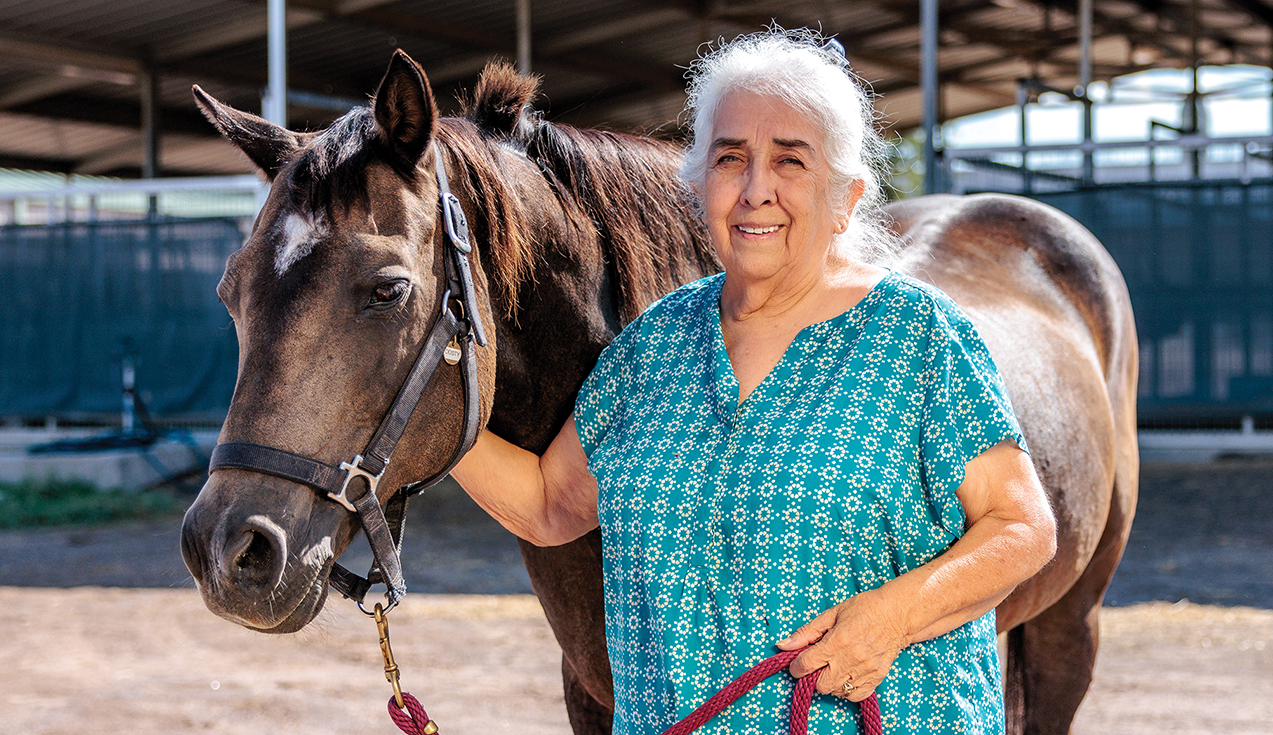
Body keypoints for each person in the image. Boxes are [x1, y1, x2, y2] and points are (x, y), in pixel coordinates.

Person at [449, 29, 1056, 734]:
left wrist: (894, 616)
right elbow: (550, 503)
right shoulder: (652, 348)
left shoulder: (918, 336)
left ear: (846, 196)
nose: (755, 188)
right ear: (699, 184)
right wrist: (440, 402)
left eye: (790, 161)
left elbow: (1023, 527)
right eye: (730, 158)